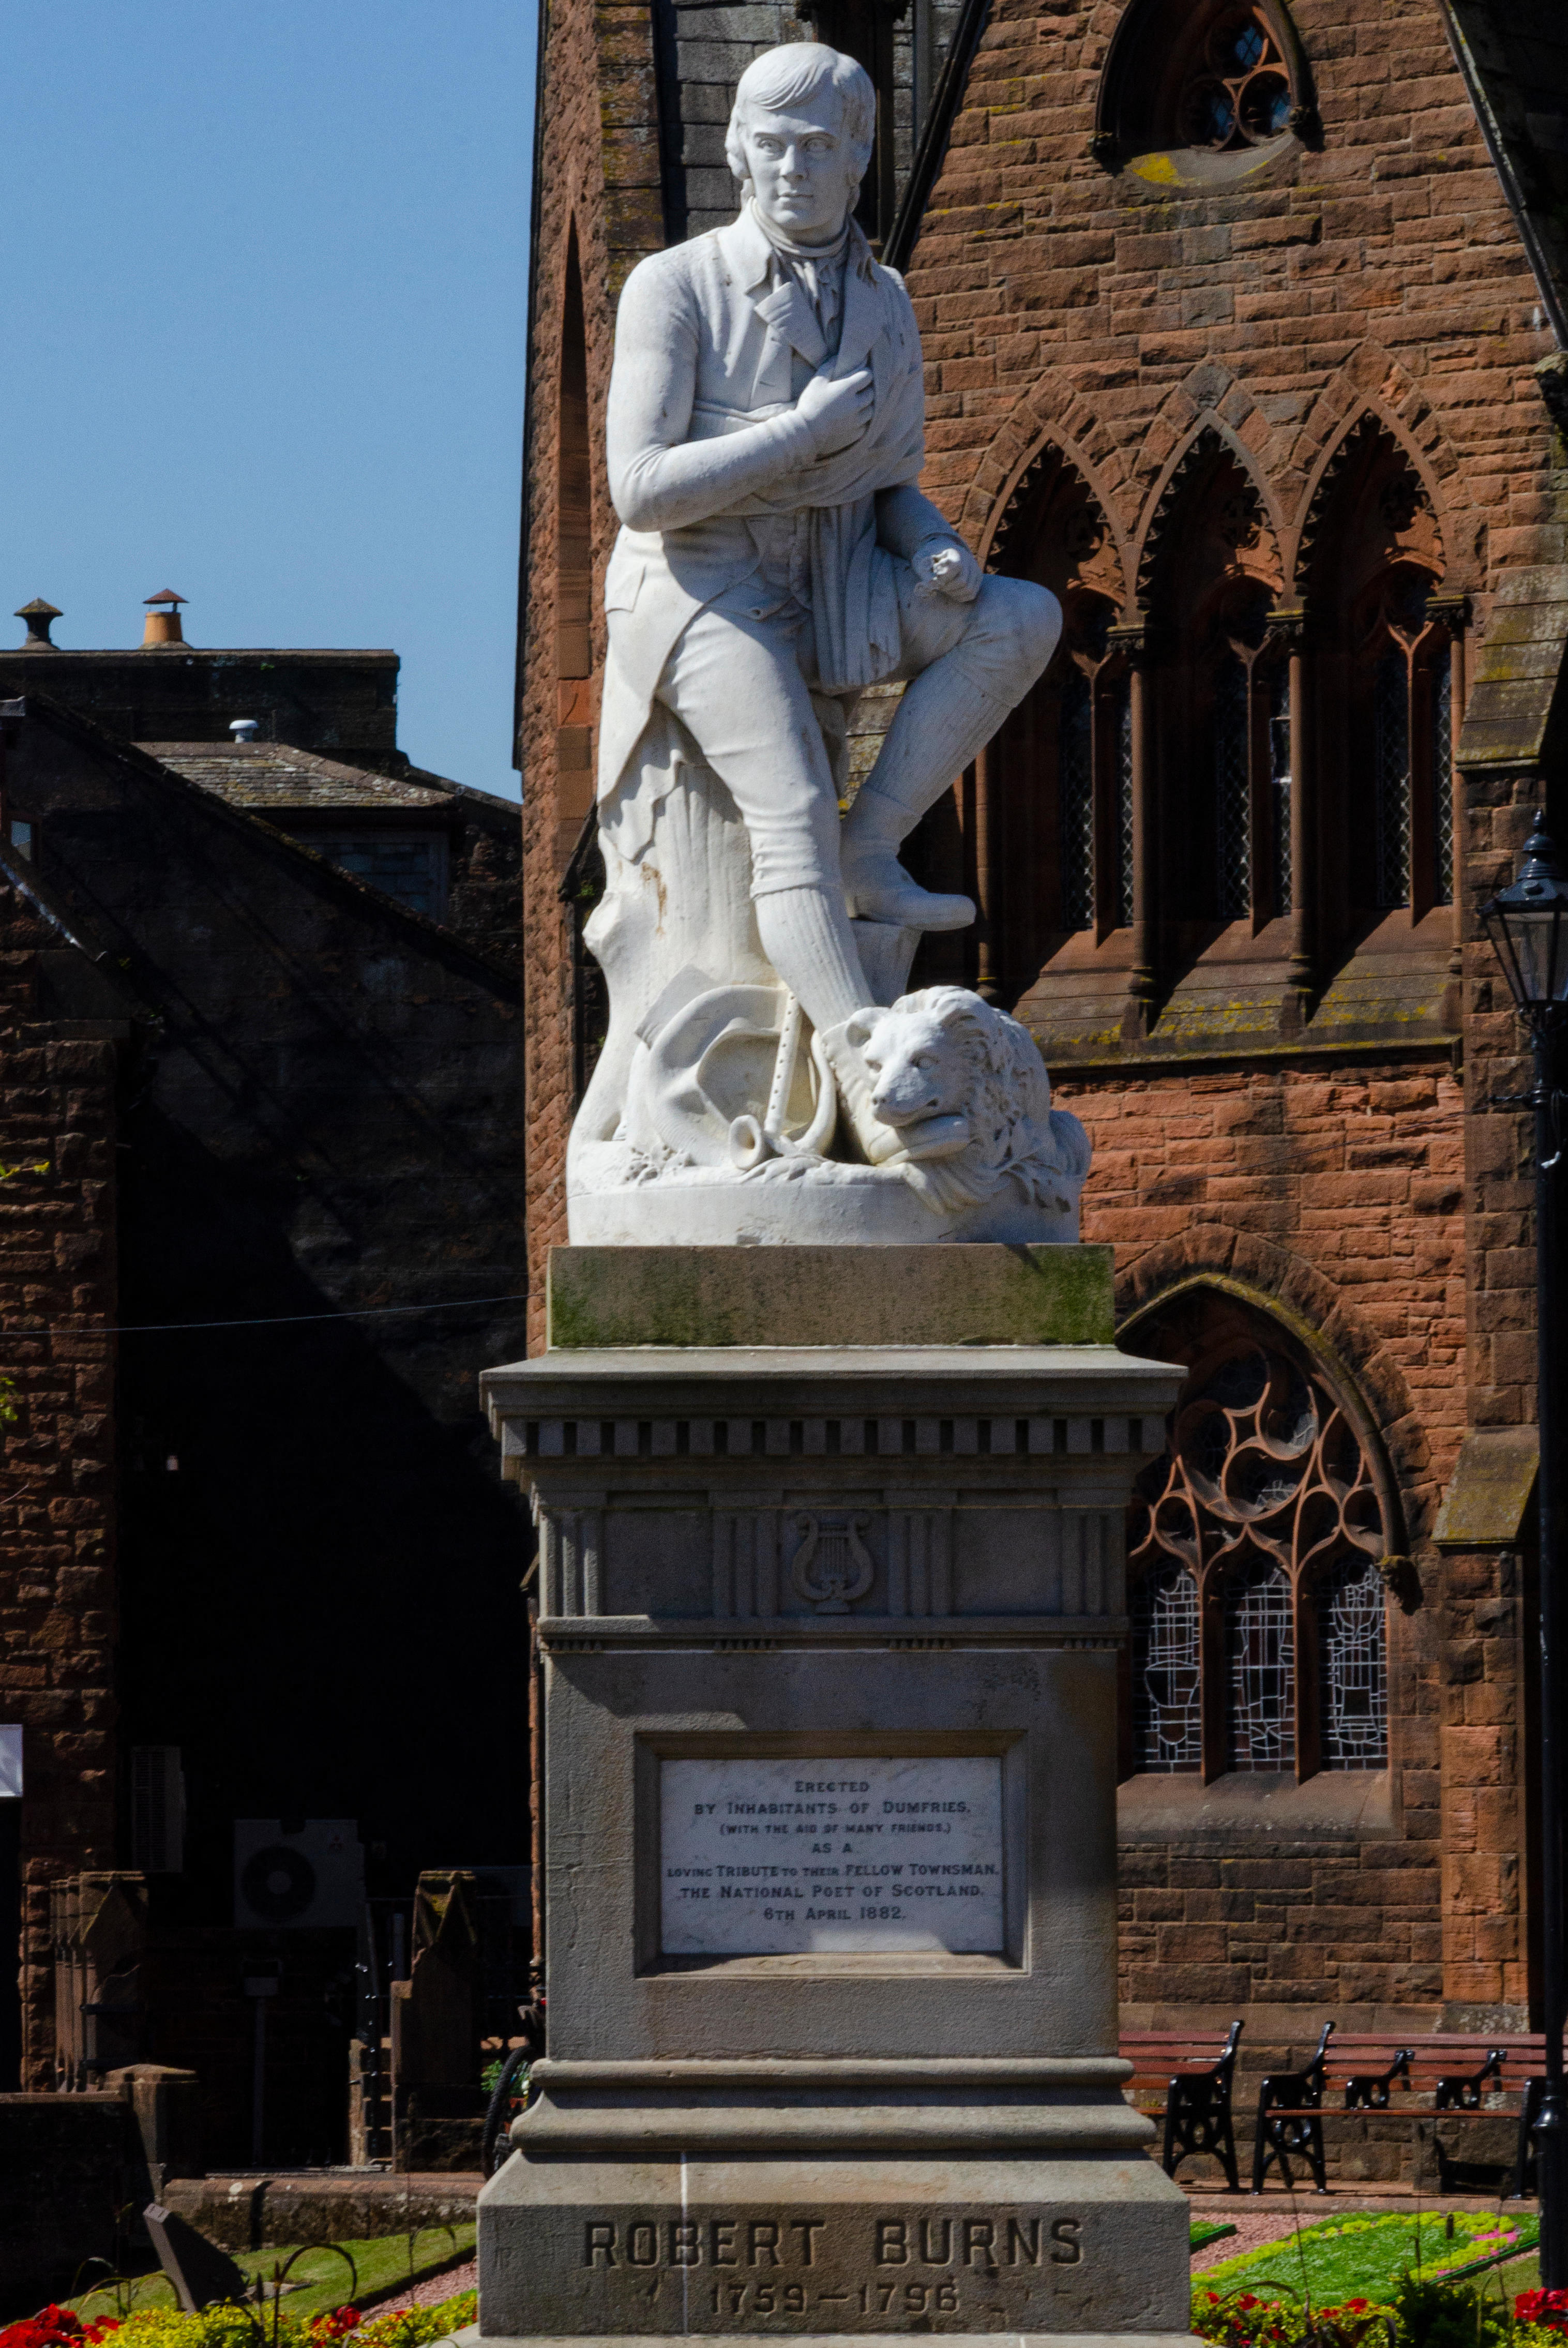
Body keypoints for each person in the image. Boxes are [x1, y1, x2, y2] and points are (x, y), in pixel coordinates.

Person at [597, 40, 1060, 1155]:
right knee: (790, 812)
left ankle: (876, 846)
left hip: (840, 573)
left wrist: (935, 543)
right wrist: (794, 436)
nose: (794, 167)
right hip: (702, 586)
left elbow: (891, 477)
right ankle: (867, 1075)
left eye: (818, 148)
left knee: (1020, 615)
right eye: (772, 145)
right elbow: (640, 488)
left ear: (859, 159)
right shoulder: (675, 286)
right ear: (735, 154)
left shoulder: (883, 298)